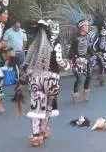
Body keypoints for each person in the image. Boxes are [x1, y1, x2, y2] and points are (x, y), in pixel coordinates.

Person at [18, 19, 70, 147]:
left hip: (37, 79)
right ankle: (43, 129)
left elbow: (27, 64)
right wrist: (67, 65)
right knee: (48, 106)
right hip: (52, 80)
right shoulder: (56, 44)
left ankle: (36, 135)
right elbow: (59, 61)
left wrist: (26, 77)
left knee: (36, 107)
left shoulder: (35, 45)